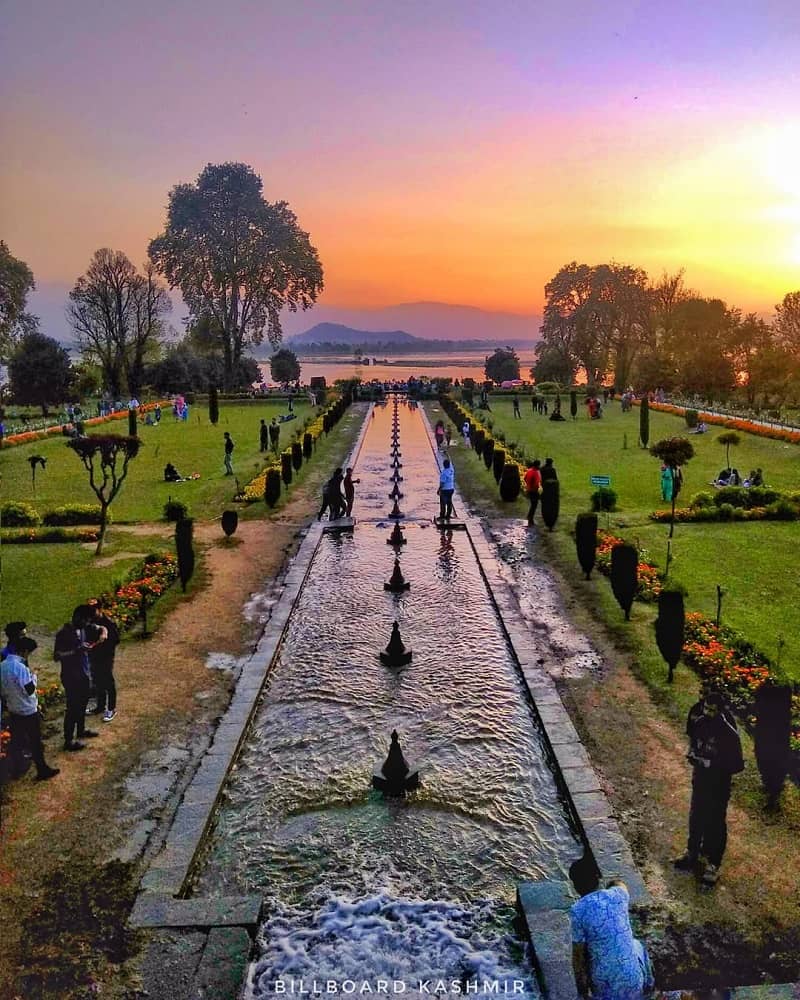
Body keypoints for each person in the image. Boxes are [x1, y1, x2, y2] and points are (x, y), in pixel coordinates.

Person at [673, 689, 744, 887]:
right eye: (706, 708)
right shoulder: (700, 723)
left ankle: (713, 864)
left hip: (718, 786)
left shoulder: (729, 734)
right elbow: (694, 743)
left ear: (721, 712)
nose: (708, 713)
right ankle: (692, 852)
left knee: (715, 823)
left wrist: (712, 765)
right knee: (695, 817)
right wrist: (693, 755)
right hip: (700, 781)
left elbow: (737, 765)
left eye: (712, 711)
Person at [571, 878, 654, 1000]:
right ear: (598, 878)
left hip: (605, 990)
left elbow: (578, 959)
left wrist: (582, 991)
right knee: (636, 944)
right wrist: (610, 884)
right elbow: (620, 883)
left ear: (575, 885)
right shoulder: (618, 895)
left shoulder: (577, 910)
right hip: (634, 983)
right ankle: (649, 986)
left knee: (589, 953)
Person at [1, 637, 60, 780]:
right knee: (35, 741)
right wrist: (34, 676)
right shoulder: (20, 668)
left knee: (17, 741)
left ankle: (16, 769)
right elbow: (29, 690)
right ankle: (42, 769)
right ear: (25, 651)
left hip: (14, 709)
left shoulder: (2, 666)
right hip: (27, 710)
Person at [54, 606, 104, 752]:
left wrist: (103, 633)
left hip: (83, 673)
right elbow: (57, 656)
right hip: (71, 676)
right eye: (86, 620)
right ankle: (68, 740)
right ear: (77, 617)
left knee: (82, 703)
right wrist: (76, 651)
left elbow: (100, 628)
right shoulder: (63, 634)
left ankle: (81, 730)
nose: (87, 623)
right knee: (72, 708)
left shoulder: (83, 628)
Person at [87, 601, 120, 722]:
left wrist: (102, 644)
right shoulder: (91, 622)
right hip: (94, 656)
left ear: (100, 609)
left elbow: (116, 640)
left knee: (108, 682)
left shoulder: (109, 623)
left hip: (105, 657)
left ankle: (111, 708)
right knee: (97, 681)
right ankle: (100, 706)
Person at [523, 460, 542, 525]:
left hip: (529, 490)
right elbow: (536, 483)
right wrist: (536, 489)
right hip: (534, 491)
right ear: (537, 465)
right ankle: (530, 518)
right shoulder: (535, 472)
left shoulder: (529, 470)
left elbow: (525, 478)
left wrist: (528, 486)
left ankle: (530, 517)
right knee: (534, 505)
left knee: (533, 504)